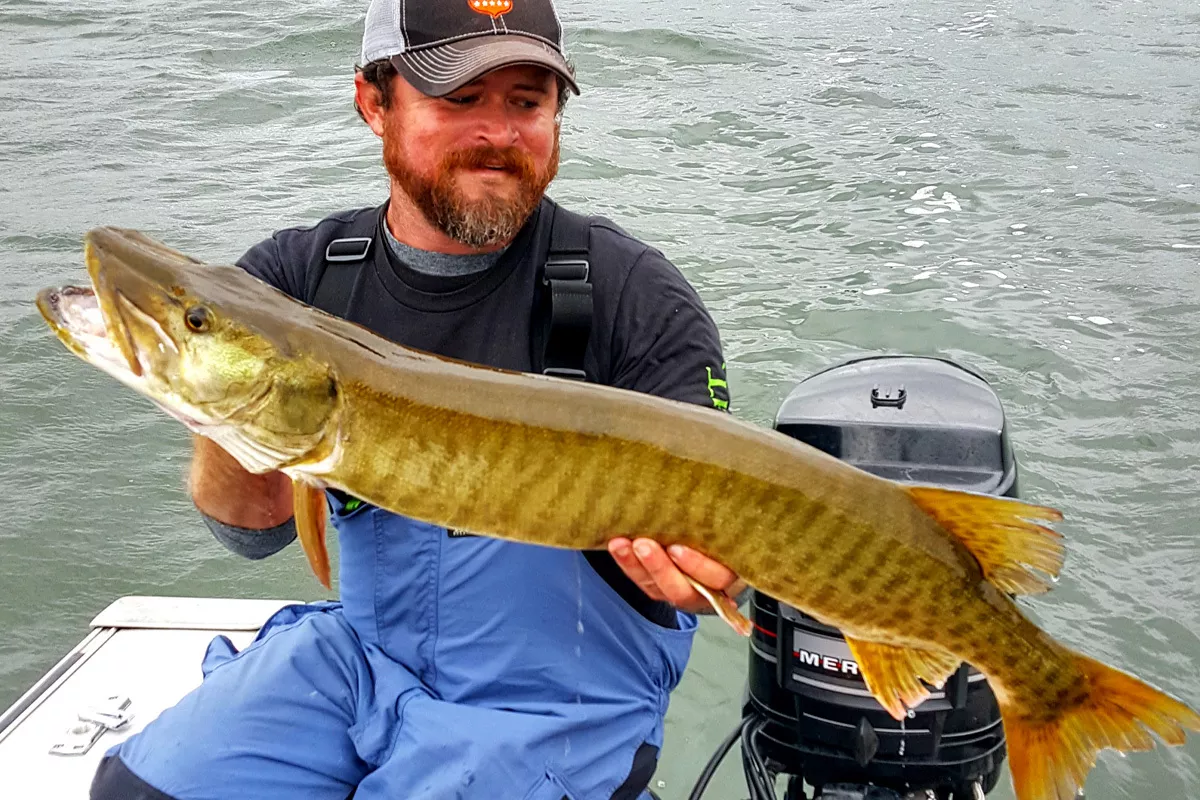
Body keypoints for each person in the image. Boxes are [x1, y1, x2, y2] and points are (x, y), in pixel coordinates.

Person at [90, 0, 742, 798]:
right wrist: (218, 407)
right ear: (374, 102)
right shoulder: (296, 281)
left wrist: (713, 581)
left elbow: (723, 547)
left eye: (526, 101)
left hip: (554, 699)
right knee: (140, 787)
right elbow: (251, 534)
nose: (498, 133)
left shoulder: (634, 294)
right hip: (366, 658)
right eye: (459, 98)